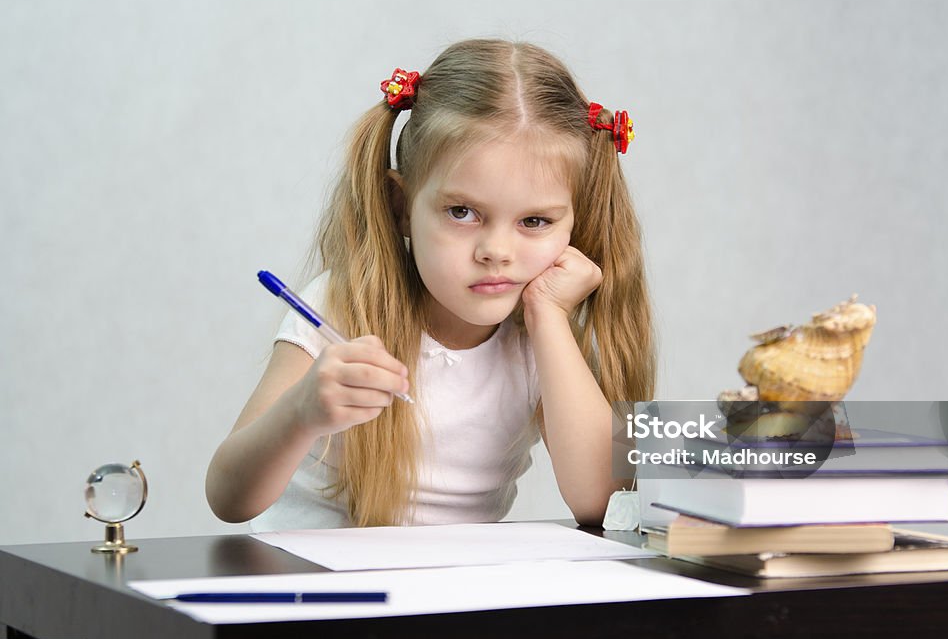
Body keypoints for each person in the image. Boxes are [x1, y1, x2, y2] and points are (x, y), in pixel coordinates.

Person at [205, 39, 655, 530]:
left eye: (535, 221)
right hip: (315, 588)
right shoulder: (342, 305)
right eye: (462, 212)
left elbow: (599, 505)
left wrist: (549, 317)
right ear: (402, 207)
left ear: (574, 225)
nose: (496, 251)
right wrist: (301, 412)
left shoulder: (541, 337)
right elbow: (229, 497)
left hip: (450, 596)